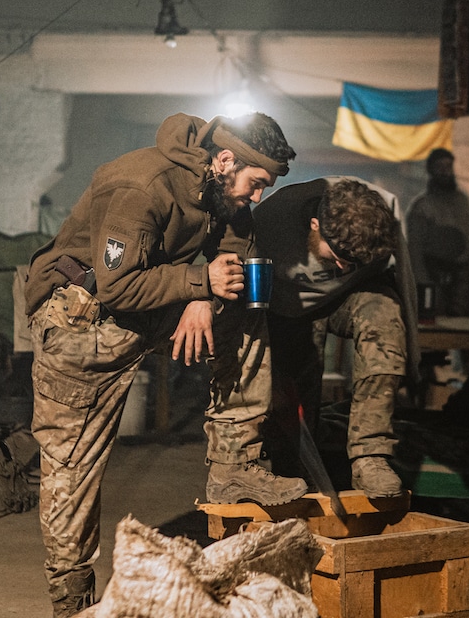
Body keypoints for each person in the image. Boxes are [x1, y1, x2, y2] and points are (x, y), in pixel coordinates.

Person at [21, 112, 306, 617]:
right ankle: (70, 599)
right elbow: (118, 286)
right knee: (72, 469)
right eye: (256, 183)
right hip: (81, 323)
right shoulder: (140, 185)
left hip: (147, 308)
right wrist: (198, 283)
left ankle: (233, 466)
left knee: (244, 311)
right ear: (224, 160)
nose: (258, 196)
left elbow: (239, 234)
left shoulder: (219, 189)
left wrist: (203, 298)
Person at [253, 177, 418, 499]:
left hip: (348, 301)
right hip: (288, 308)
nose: (344, 267)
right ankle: (292, 474)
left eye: (354, 263)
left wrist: (411, 359)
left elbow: (404, 287)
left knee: (383, 313)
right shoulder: (271, 222)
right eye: (339, 255)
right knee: (293, 402)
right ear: (315, 224)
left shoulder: (386, 217)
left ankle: (370, 456)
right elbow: (248, 300)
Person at [405, 148, 469, 319]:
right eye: (440, 166)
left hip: (461, 276)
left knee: (463, 327)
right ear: (431, 170)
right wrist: (422, 283)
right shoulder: (422, 207)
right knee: (434, 325)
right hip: (433, 275)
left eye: (448, 166)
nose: (445, 171)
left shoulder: (465, 204)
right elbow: (415, 250)